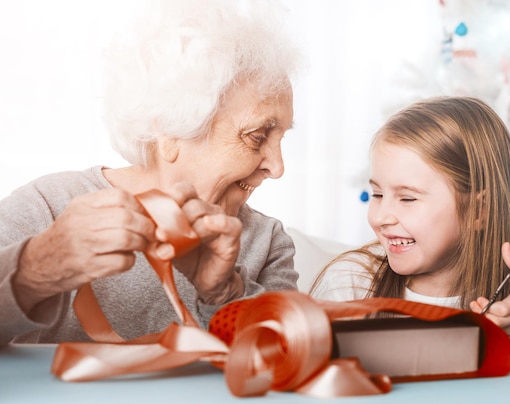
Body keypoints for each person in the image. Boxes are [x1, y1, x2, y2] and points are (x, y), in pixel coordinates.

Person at [0, 0, 300, 347]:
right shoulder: (46, 208)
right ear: (171, 130)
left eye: (282, 137)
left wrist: (225, 293)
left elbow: (292, 358)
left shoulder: (266, 241)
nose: (277, 167)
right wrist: (36, 270)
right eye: (258, 137)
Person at [310, 96, 510, 348]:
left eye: (407, 198)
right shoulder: (351, 286)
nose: (380, 217)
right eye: (377, 194)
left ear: (479, 210)